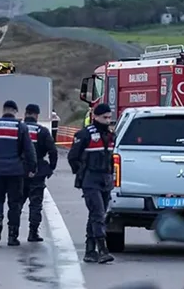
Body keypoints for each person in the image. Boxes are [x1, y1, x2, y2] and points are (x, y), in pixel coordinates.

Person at [0, 100, 37, 246]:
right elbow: (29, 150)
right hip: (15, 171)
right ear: (15, 111)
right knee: (14, 203)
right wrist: (32, 168)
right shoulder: (20, 127)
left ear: (4, 110)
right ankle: (12, 236)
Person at [68, 103, 115, 264]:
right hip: (90, 180)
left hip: (106, 180)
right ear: (95, 117)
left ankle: (90, 250)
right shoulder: (85, 135)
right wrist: (81, 173)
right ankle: (102, 249)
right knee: (97, 213)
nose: (107, 120)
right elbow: (73, 157)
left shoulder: (110, 136)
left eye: (109, 117)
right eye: (104, 117)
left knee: (98, 215)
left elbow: (111, 159)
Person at [21, 104, 58, 242]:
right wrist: (51, 168)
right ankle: (33, 232)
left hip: (20, 171)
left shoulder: (19, 129)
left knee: (17, 202)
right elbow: (52, 151)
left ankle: (13, 234)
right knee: (35, 203)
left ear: (25, 113)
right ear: (36, 115)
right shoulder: (42, 131)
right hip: (38, 171)